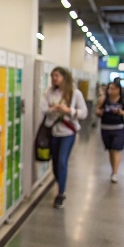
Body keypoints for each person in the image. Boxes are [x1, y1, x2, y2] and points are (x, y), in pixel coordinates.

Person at [41, 67, 88, 209]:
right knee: (55, 164)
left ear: (64, 77)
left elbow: (83, 113)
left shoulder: (75, 94)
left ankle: (61, 193)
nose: (54, 78)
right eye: (52, 76)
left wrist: (69, 110)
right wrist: (53, 109)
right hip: (54, 132)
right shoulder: (49, 92)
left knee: (62, 161)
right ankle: (59, 183)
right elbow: (43, 109)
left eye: (57, 75)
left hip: (68, 132)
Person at [96, 81, 124, 183]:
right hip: (106, 127)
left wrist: (120, 112)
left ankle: (115, 172)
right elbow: (97, 110)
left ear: (118, 90)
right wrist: (99, 112)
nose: (110, 91)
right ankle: (113, 169)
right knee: (111, 150)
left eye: (113, 88)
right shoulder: (103, 99)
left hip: (118, 128)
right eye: (109, 88)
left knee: (116, 149)